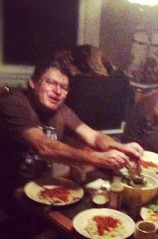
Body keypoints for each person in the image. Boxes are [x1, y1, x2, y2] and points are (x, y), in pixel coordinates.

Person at [0, 60, 143, 210]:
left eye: (64, 87)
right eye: (51, 83)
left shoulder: (61, 110)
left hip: (43, 187)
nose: (57, 91)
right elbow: (43, 146)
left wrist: (121, 147)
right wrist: (98, 158)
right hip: (11, 193)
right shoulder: (13, 103)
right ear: (32, 82)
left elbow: (93, 136)